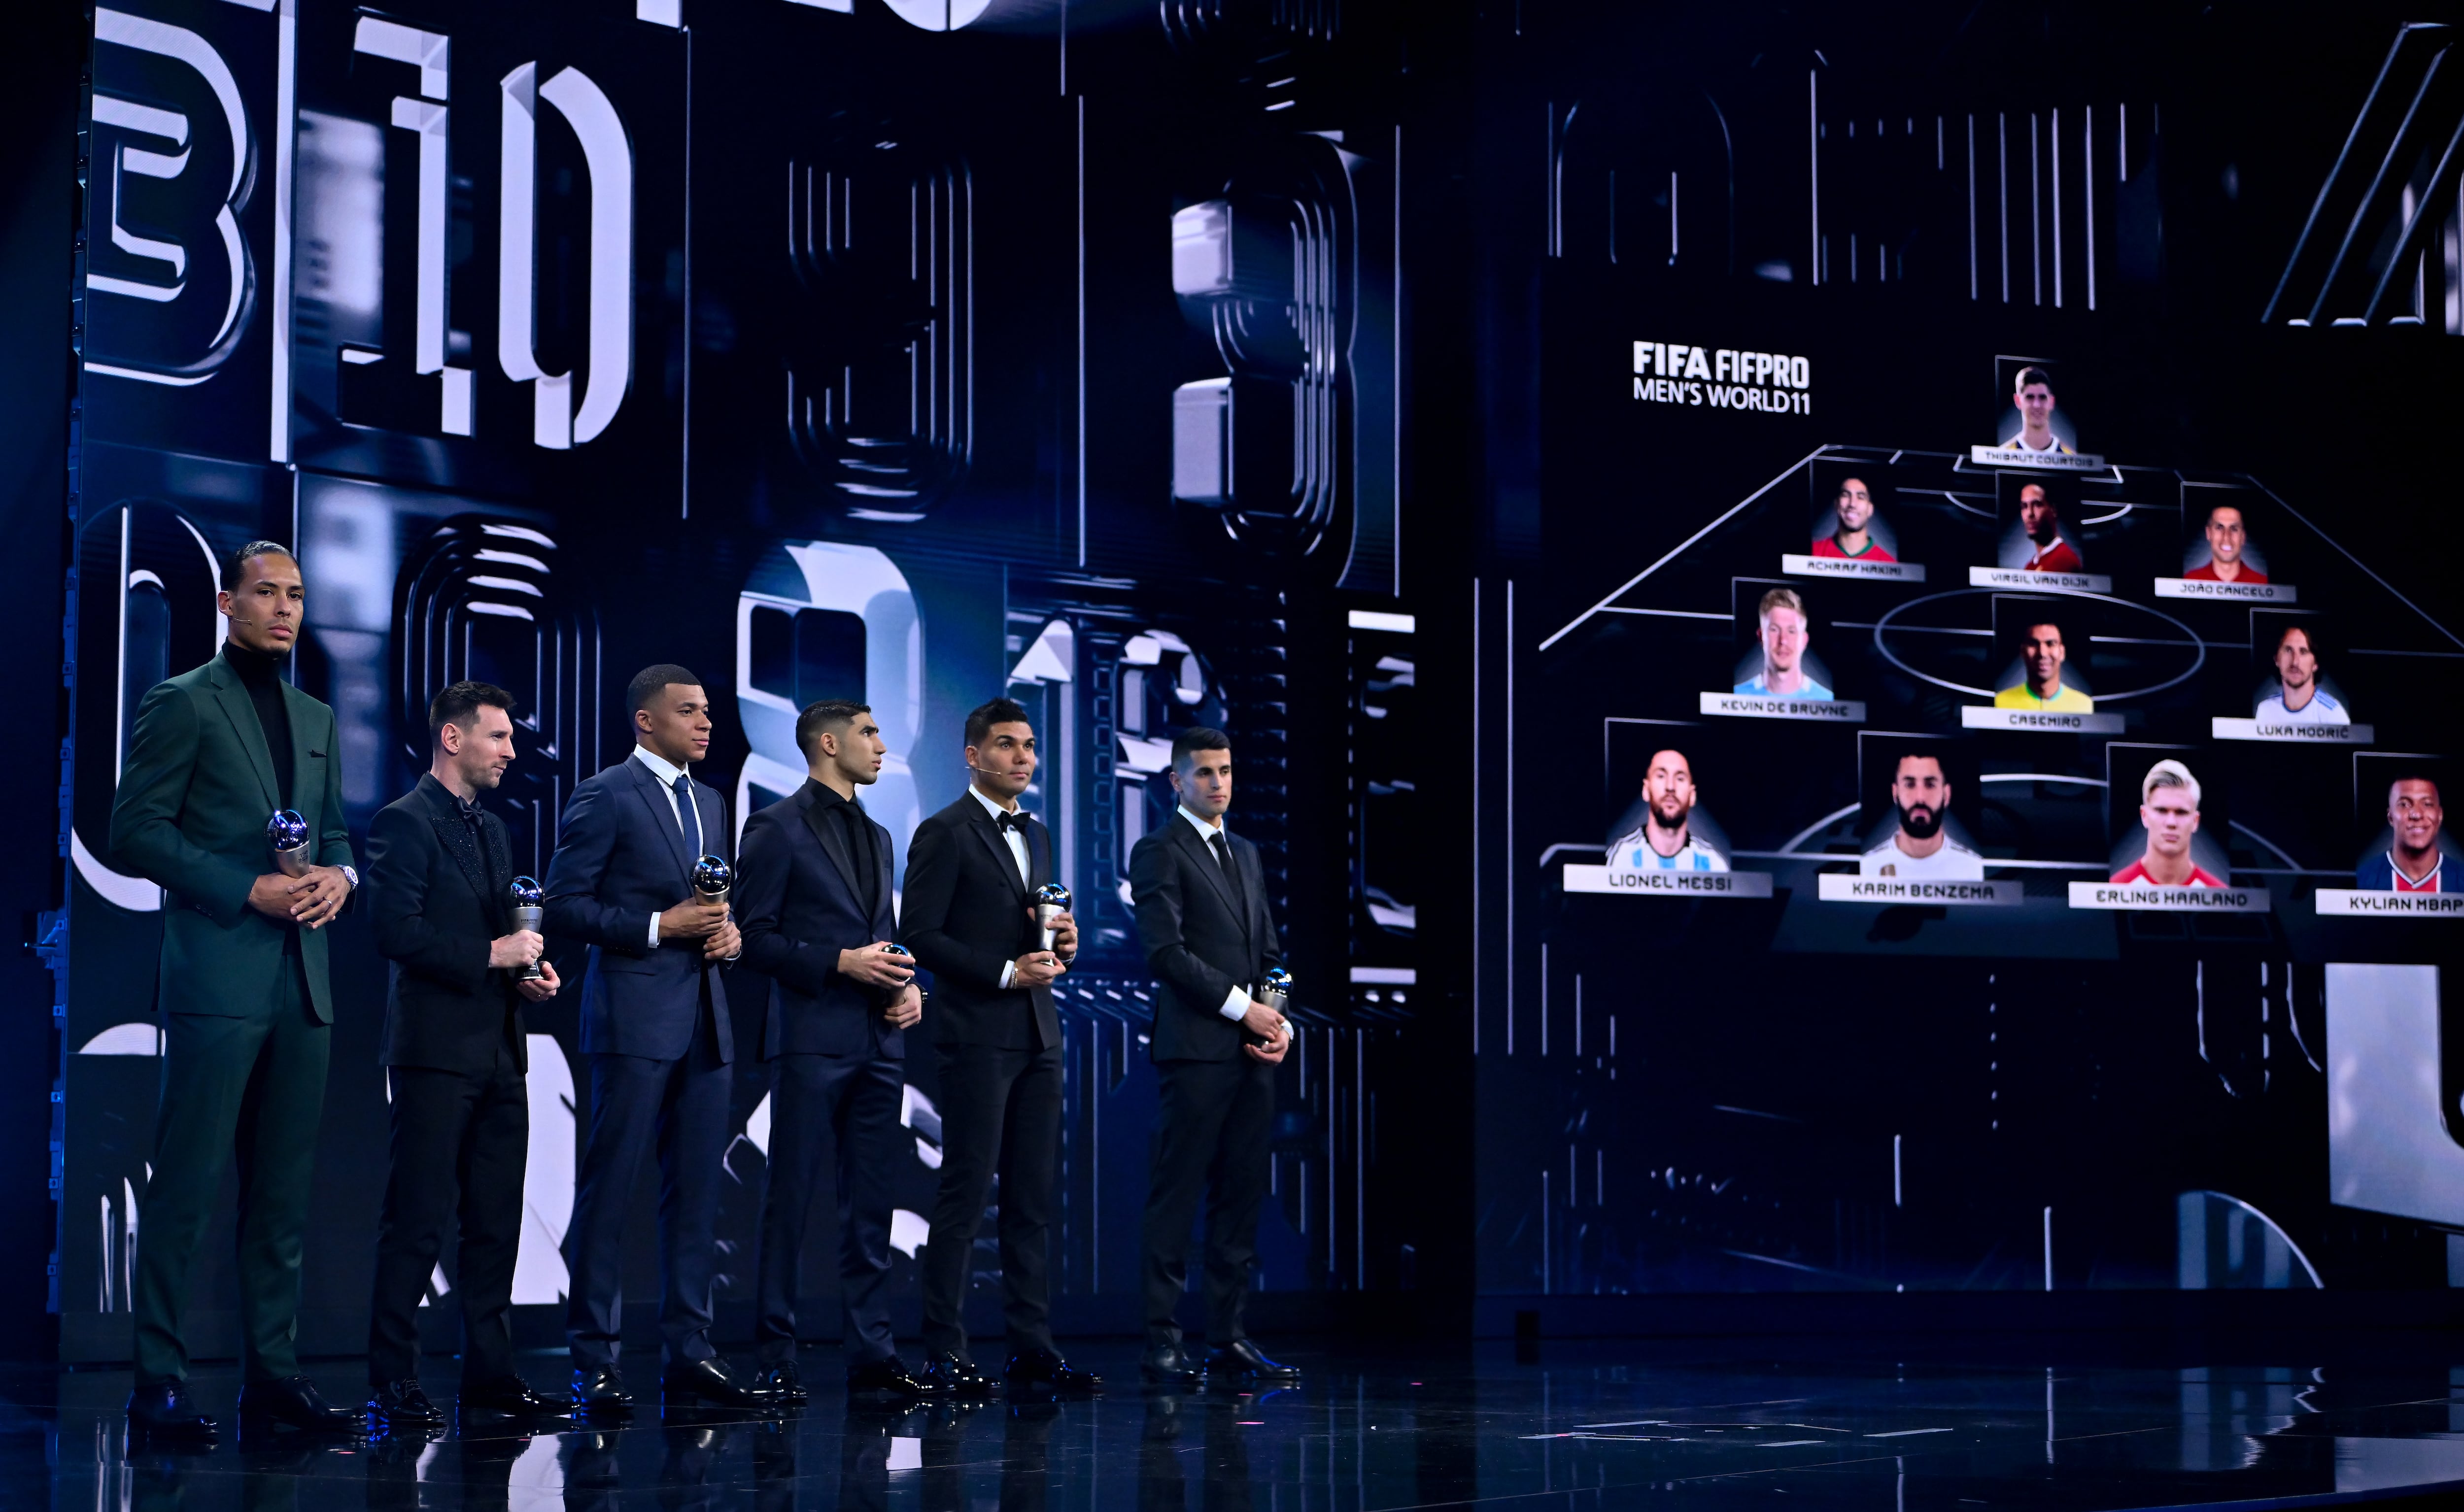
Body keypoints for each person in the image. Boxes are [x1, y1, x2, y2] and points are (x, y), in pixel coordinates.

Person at [108, 541, 360, 1442]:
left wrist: (341, 877)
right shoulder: (182, 701)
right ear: (227, 602)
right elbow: (132, 827)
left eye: (295, 593)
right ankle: (156, 1385)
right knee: (187, 1187)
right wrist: (238, 884)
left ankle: (275, 1379)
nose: (284, 607)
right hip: (219, 971)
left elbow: (334, 833)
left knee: (283, 1194)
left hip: (305, 983)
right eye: (266, 592)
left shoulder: (317, 714)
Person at [546, 665, 763, 1413]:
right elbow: (565, 906)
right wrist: (656, 927)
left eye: (708, 711)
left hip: (706, 1019)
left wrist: (725, 936)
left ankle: (690, 1352)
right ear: (646, 720)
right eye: (689, 711)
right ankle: (592, 1360)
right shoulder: (605, 794)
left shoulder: (710, 800)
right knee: (610, 1193)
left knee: (698, 1198)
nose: (706, 723)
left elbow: (712, 904)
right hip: (632, 1020)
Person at [363, 682, 563, 1428]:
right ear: (453, 739)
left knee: (494, 1223)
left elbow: (501, 940)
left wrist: (525, 973)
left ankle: (491, 1375)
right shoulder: (401, 823)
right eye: (499, 738)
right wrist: (491, 951)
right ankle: (392, 1377)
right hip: (435, 1053)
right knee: (416, 1221)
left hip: (502, 1049)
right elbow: (395, 932)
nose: (512, 752)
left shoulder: (494, 830)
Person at [735, 700, 931, 1405]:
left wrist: (909, 989)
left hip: (879, 1041)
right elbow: (751, 940)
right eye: (870, 733)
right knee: (789, 1201)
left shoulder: (879, 836)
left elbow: (886, 936)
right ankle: (775, 1355)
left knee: (870, 1203)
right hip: (811, 1039)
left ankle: (873, 1352)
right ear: (828, 743)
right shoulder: (774, 828)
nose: (882, 745)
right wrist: (840, 962)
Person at [901, 699, 1099, 1395]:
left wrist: (1062, 942)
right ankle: (944, 1350)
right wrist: (1003, 970)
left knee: (1031, 1201)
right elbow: (920, 934)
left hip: (1039, 1031)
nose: (1024, 758)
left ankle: (1031, 1347)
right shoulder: (942, 832)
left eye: (1030, 747)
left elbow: (1039, 923)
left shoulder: (1038, 833)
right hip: (977, 1033)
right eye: (1009, 745)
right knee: (963, 1194)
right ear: (972, 754)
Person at [1129, 728, 1300, 1388]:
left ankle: (1228, 1337)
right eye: (1204, 773)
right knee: (1175, 1201)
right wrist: (1244, 1009)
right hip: (1197, 1053)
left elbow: (1274, 953)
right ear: (1177, 781)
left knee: (1239, 1200)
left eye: (1226, 770)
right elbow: (1165, 954)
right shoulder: (1158, 850)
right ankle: (1162, 1344)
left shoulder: (1248, 854)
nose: (1218, 783)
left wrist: (1277, 1016)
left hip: (1253, 1055)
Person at [1859, 752, 1985, 878]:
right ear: (1895, 793)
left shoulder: (1974, 869)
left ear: (1947, 795)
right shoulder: (1867, 868)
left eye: (1930, 785)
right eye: (1910, 785)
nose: (1920, 798)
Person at [1606, 749, 1728, 872]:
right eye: (1661, 776)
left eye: (1680, 779)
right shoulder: (1623, 857)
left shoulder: (1713, 863)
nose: (1670, 787)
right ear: (1646, 791)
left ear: (1692, 796)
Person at [2111, 760, 2226, 887]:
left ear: (2195, 821)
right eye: (2161, 811)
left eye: (2181, 812)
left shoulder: (2218, 895)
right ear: (2144, 816)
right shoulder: (2116, 889)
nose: (2171, 823)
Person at [1732, 587, 1834, 699]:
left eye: (1791, 631)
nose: (1783, 641)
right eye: (1774, 630)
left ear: (1804, 640)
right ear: (1761, 637)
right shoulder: (1737, 697)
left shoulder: (1827, 700)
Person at [2358, 776, 2445, 892]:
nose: (2416, 815)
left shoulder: (2460, 879)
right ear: (2390, 817)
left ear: (2439, 815)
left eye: (2427, 804)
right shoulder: (2362, 881)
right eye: (2404, 804)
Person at [2256, 624, 2346, 725]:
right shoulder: (2266, 710)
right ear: (2277, 659)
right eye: (2288, 650)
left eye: (2303, 652)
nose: (2295, 662)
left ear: (2315, 663)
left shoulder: (2333, 714)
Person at [1993, 621, 2094, 712]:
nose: (2042, 653)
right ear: (2023, 652)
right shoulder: (1999, 703)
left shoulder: (2086, 706)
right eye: (2034, 644)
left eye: (2051, 644)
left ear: (2062, 653)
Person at [1811, 477, 1897, 562]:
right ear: (1836, 504)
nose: (1852, 504)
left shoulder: (1888, 563)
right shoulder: (1812, 554)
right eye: (1846, 495)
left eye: (1861, 497)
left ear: (1870, 509)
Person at [2185, 504, 2268, 584]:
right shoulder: (2190, 581)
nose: (2226, 537)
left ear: (2243, 537)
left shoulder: (2263, 584)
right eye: (2219, 528)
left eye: (2234, 529)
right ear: (2209, 533)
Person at [2001, 366, 2073, 454]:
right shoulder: (2004, 456)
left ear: (2052, 402)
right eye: (2030, 397)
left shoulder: (2071, 459)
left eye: (2042, 397)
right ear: (2018, 401)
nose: (2037, 405)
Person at [2016, 485, 2083, 572]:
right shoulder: (2030, 566)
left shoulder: (2065, 561)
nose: (2030, 514)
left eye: (2037, 505)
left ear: (2053, 510)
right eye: (2024, 506)